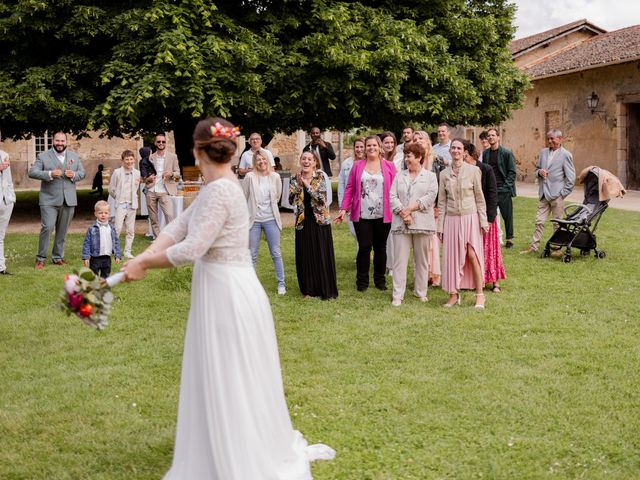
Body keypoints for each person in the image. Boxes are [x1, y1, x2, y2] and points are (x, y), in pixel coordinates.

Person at [122, 117, 335, 478]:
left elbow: (192, 248)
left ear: (197, 150)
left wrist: (145, 265)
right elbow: (178, 226)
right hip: (219, 288)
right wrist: (143, 255)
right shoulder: (216, 186)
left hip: (228, 293)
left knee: (231, 370)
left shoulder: (222, 190)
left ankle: (237, 448)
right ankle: (216, 439)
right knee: (217, 368)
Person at [336, 135, 396, 292]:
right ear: (365, 148)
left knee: (380, 248)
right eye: (368, 145)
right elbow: (349, 188)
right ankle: (362, 282)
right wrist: (343, 208)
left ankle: (380, 281)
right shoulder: (357, 165)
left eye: (374, 145)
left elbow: (396, 188)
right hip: (361, 214)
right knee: (364, 247)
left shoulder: (389, 166)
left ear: (379, 147)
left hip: (384, 214)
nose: (371, 148)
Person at [437, 139, 489, 309]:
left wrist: (483, 221)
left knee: (473, 255)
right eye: (453, 148)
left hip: (470, 217)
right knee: (452, 257)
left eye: (459, 148)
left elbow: (480, 198)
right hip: (451, 220)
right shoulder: (444, 174)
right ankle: (453, 294)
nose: (456, 151)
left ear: (465, 151)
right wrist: (440, 227)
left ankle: (480, 295)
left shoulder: (474, 171)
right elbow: (442, 203)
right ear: (450, 151)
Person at [389, 142, 438, 306]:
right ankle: (398, 295)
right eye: (405, 155)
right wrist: (404, 213)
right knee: (399, 261)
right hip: (401, 223)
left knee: (421, 260)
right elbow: (392, 196)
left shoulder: (430, 177)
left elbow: (430, 197)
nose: (406, 159)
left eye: (409, 156)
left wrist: (410, 209)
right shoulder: (399, 176)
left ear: (419, 157)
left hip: (422, 223)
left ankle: (421, 292)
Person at [28, 131, 86, 269]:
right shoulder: (43, 156)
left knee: (62, 230)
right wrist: (49, 174)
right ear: (53, 141)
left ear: (67, 142)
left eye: (62, 141)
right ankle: (40, 258)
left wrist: (74, 175)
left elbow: (82, 173)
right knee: (47, 227)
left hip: (69, 199)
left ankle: (57, 256)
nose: (60, 143)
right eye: (57, 141)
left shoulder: (74, 156)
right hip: (48, 199)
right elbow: (32, 172)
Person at [289, 151, 338, 300]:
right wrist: (298, 186)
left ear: (315, 162)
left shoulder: (320, 177)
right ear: (300, 161)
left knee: (321, 254)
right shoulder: (294, 178)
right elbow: (291, 200)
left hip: (320, 221)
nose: (306, 161)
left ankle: (325, 288)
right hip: (303, 222)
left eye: (309, 159)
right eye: (303, 158)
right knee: (306, 256)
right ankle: (308, 290)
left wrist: (306, 185)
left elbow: (322, 199)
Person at [520, 129, 576, 255]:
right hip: (543, 193)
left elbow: (571, 178)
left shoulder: (566, 155)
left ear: (560, 139)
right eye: (548, 138)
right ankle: (533, 246)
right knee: (539, 221)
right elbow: (536, 169)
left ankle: (557, 248)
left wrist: (562, 194)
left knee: (557, 223)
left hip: (557, 196)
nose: (549, 141)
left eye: (552, 138)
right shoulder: (543, 152)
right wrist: (539, 172)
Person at [462, 141, 505, 293]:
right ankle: (474, 280)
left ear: (468, 153)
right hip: (469, 216)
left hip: (486, 216)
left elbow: (493, 194)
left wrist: (490, 218)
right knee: (472, 250)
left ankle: (495, 282)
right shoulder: (462, 170)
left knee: (490, 249)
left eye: (462, 153)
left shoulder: (485, 169)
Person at [242, 148, 286, 295]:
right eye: (258, 160)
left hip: (271, 219)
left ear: (268, 160)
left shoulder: (275, 177)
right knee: (252, 254)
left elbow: (277, 196)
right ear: (255, 162)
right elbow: (245, 196)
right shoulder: (249, 177)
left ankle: (281, 284)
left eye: (263, 159)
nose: (261, 162)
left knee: (276, 253)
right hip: (254, 220)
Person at [413, 130, 442, 286]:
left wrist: (438, 205)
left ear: (428, 142)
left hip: (432, 208)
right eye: (415, 139)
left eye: (421, 139)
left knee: (432, 243)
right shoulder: (410, 160)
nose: (418, 141)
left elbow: (441, 185)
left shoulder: (436, 161)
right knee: (418, 242)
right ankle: (420, 275)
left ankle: (433, 275)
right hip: (415, 206)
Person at [482, 128, 517, 248]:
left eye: (493, 135)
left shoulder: (507, 153)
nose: (491, 137)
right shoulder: (485, 153)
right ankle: (491, 238)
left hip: (504, 190)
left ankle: (509, 239)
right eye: (489, 135)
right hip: (490, 190)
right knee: (490, 215)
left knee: (507, 215)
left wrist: (506, 187)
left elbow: (512, 172)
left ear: (498, 137)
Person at [146, 133, 180, 239]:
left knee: (169, 215)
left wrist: (171, 174)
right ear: (155, 143)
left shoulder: (172, 157)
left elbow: (178, 173)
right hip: (151, 190)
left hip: (165, 190)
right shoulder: (150, 157)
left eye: (163, 141)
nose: (161, 143)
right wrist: (148, 179)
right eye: (159, 141)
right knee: (153, 218)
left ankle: (170, 238)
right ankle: (157, 238)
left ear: (166, 143)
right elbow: (144, 176)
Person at [109, 150, 141, 259]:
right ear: (122, 160)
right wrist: (118, 197)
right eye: (127, 159)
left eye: (131, 159)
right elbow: (111, 189)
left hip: (132, 204)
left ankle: (127, 251)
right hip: (121, 204)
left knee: (130, 230)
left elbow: (135, 188)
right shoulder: (117, 172)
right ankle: (114, 248)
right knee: (117, 228)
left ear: (134, 160)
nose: (129, 161)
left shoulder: (137, 173)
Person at [81, 200, 121, 278]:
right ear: (95, 214)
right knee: (93, 277)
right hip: (95, 257)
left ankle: (103, 289)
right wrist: (86, 256)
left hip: (107, 257)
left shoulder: (111, 228)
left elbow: (116, 242)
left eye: (106, 213)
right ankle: (94, 289)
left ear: (109, 214)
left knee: (105, 276)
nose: (103, 215)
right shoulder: (92, 228)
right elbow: (87, 243)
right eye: (100, 213)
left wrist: (117, 255)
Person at [337, 137, 365, 238]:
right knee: (355, 233)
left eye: (362, 147)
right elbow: (341, 185)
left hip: (365, 203)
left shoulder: (368, 162)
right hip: (351, 204)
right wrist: (342, 205)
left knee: (364, 234)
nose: (359, 149)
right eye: (357, 147)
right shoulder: (347, 163)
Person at [0, 149, 16, 275]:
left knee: (1, 236)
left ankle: (1, 267)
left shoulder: (5, 154)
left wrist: (11, 197)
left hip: (6, 201)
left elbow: (8, 179)